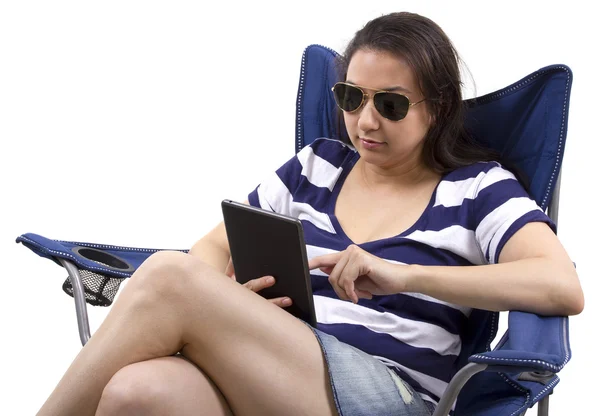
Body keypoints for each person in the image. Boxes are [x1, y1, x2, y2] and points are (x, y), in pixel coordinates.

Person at [38, 11, 584, 416]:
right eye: (351, 98)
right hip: (278, 375)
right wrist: (231, 305)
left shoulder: (477, 188)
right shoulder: (315, 166)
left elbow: (561, 286)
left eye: (390, 104)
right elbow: (212, 249)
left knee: (167, 275)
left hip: (390, 395)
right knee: (137, 394)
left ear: (436, 109)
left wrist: (405, 274)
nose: (365, 121)